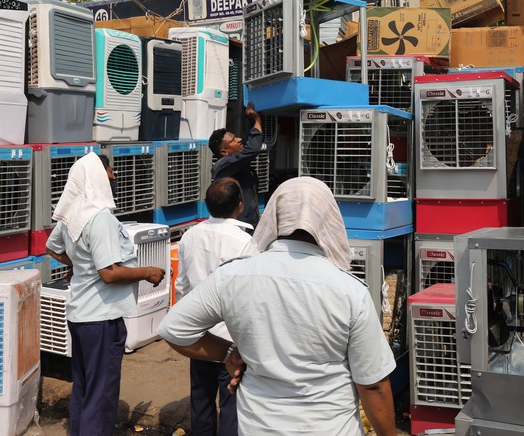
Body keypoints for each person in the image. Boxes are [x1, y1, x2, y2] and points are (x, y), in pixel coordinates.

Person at [158, 177, 397, 436]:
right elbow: (373, 386)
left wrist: (228, 353)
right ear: (330, 221)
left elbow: (173, 329)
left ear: (275, 216)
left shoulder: (233, 276)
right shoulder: (350, 291)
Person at [46, 152, 166, 436]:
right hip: (101, 319)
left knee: (85, 388)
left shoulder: (71, 215)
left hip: (82, 315)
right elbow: (109, 273)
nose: (114, 178)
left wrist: (79, 265)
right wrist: (147, 272)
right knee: (100, 396)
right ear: (98, 177)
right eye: (110, 173)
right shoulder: (99, 219)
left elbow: (52, 248)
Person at [175, 177, 252, 436]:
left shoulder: (190, 236)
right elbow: (249, 296)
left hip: (199, 334)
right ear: (239, 206)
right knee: (231, 400)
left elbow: (181, 285)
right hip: (231, 337)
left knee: (201, 397)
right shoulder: (244, 242)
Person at [209, 101, 263, 228]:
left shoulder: (235, 161)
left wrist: (250, 119)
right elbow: (253, 148)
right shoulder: (223, 166)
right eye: (233, 140)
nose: (238, 140)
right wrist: (257, 119)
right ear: (224, 152)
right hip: (238, 226)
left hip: (250, 222)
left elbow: (245, 140)